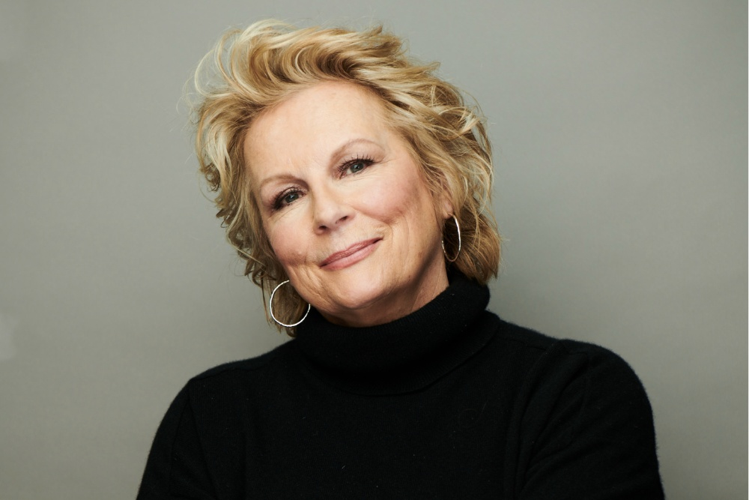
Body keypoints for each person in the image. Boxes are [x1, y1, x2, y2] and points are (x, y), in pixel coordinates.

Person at [137, 20, 664, 499]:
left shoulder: (574, 397)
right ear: (270, 246)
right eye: (287, 197)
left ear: (442, 184)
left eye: (355, 165)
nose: (328, 212)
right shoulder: (210, 422)